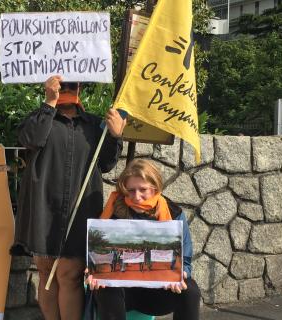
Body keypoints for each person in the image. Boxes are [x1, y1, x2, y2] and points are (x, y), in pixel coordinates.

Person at [12, 75, 125, 320]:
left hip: (80, 206)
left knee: (69, 274)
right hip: (43, 205)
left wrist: (115, 136)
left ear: (80, 87)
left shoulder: (95, 124)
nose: (65, 89)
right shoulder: (39, 117)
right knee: (45, 272)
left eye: (70, 85)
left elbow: (106, 164)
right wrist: (49, 103)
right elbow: (30, 140)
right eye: (60, 85)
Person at [86, 159, 201, 320]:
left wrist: (180, 275)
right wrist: (94, 271)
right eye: (131, 190)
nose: (136, 197)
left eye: (143, 190)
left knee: (191, 290)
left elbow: (186, 260)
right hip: (121, 291)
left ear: (155, 188)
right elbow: (96, 255)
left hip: (156, 290)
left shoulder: (174, 213)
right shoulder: (113, 211)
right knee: (106, 288)